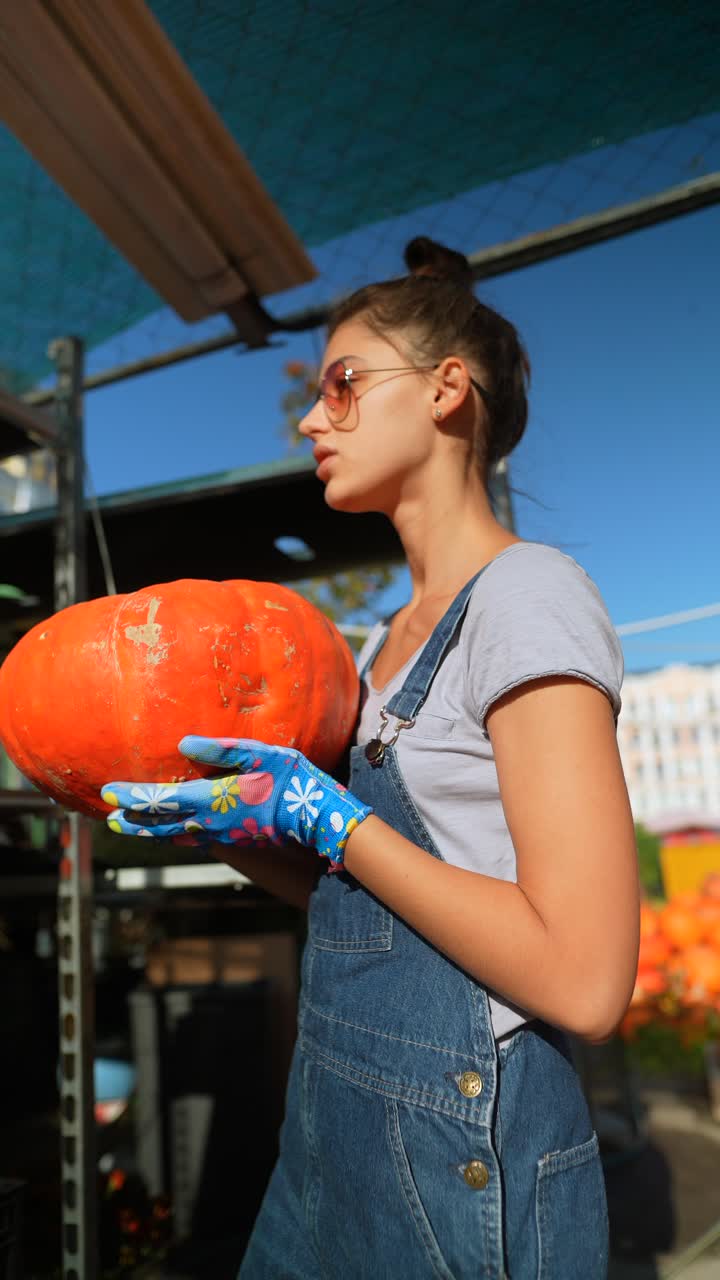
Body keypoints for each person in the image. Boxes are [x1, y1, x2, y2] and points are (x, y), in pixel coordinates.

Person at [103, 237, 639, 1278]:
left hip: (462, 1146)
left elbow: (584, 979)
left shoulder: (527, 595)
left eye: (343, 384)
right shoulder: (379, 645)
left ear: (447, 391)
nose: (312, 417)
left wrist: (337, 818)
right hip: (328, 1126)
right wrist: (246, 837)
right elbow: (377, 922)